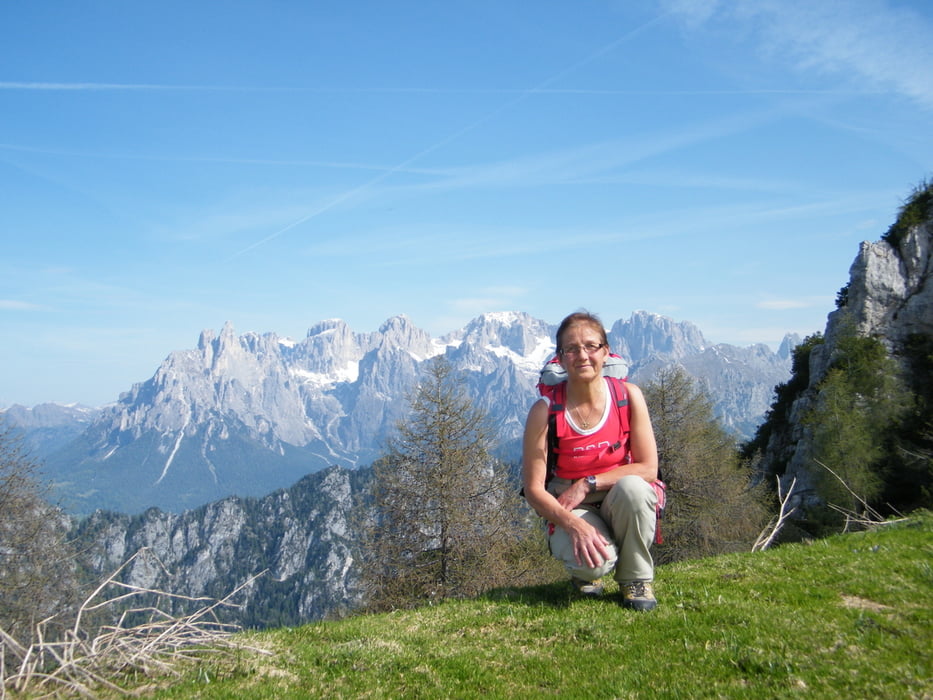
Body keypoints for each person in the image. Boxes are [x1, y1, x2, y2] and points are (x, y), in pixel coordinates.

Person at [522, 311, 660, 611]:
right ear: (560, 358)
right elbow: (533, 490)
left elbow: (649, 469)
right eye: (571, 349)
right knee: (594, 564)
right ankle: (588, 575)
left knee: (636, 489)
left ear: (606, 352)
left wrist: (588, 483)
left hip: (617, 496)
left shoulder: (628, 396)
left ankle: (635, 579)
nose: (582, 355)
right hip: (572, 507)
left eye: (591, 346)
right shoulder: (545, 411)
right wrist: (572, 525)